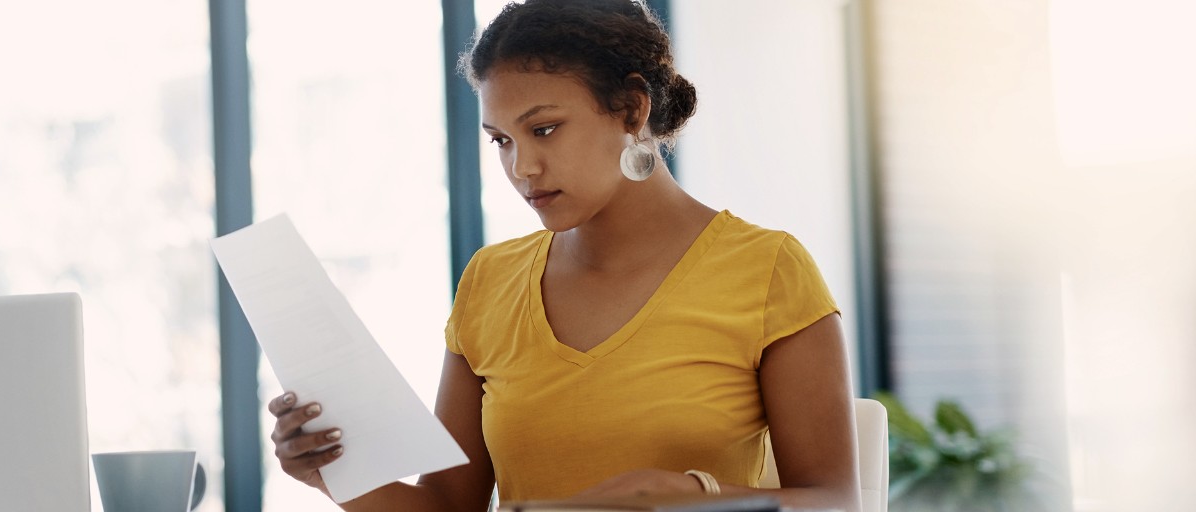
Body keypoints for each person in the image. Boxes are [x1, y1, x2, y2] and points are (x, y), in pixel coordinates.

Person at [267, 1, 861, 510]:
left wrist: (688, 496)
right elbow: (449, 505)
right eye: (501, 140)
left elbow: (835, 500)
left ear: (632, 109)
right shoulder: (490, 280)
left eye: (544, 130)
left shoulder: (766, 270)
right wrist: (335, 475)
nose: (520, 168)